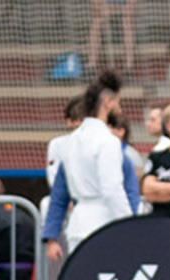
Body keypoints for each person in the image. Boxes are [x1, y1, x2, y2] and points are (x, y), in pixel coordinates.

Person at [44, 71, 132, 263]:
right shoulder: (108, 141)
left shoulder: (71, 141)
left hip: (78, 225)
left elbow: (60, 190)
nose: (119, 105)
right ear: (107, 101)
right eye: (117, 100)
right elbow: (112, 189)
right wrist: (128, 225)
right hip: (103, 224)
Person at [46, 97, 85, 189]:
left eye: (83, 120)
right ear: (69, 122)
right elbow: (53, 175)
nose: (80, 124)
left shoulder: (100, 144)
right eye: (76, 120)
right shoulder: (57, 145)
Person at [89, 0, 135, 75]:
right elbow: (96, 9)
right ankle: (91, 64)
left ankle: (129, 66)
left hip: (123, 5)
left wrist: (130, 4)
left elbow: (130, 9)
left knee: (127, 21)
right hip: (103, 5)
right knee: (96, 20)